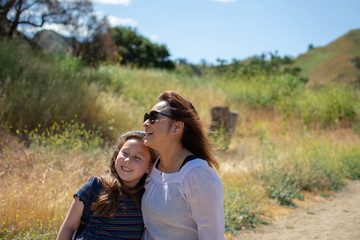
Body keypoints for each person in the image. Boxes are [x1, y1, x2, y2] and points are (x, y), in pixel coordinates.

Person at [141, 90, 225, 240]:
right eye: (147, 116)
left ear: (177, 127)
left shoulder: (197, 174)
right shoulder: (150, 163)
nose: (145, 123)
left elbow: (213, 236)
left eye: (153, 117)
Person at [56, 131, 157, 240]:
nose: (127, 160)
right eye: (125, 153)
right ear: (116, 155)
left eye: (137, 158)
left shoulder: (148, 197)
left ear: (149, 167)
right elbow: (69, 226)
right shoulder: (95, 187)